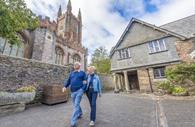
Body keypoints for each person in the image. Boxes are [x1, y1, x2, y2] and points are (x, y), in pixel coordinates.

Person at [62, 62, 87, 127]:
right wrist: (65, 86)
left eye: (76, 64)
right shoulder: (71, 73)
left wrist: (82, 89)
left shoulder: (82, 73)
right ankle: (80, 113)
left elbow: (85, 82)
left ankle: (73, 122)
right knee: (76, 104)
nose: (75, 65)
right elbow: (68, 81)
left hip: (79, 91)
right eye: (74, 64)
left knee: (76, 105)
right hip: (72, 92)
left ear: (79, 66)